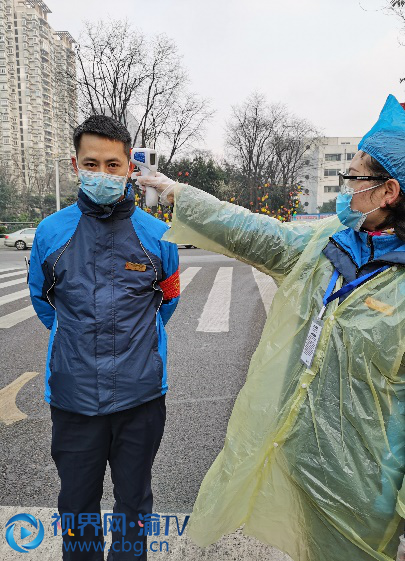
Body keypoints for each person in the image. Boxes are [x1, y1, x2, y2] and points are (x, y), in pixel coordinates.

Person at [137, 94, 405, 561]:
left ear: (389, 192)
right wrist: (180, 192)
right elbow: (256, 232)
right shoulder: (329, 244)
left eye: (355, 176)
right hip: (307, 459)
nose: (345, 187)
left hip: (370, 488)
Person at [28, 115, 180, 561]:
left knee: (134, 506)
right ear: (76, 165)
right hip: (74, 399)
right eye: (91, 163)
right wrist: (78, 341)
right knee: (77, 508)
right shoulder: (50, 232)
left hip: (141, 397)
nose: (102, 173)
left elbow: (167, 302)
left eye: (113, 164)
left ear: (129, 165)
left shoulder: (158, 235)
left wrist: (132, 346)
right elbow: (42, 302)